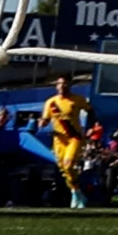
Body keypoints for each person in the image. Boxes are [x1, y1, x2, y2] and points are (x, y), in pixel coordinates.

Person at [40, 73, 95, 208]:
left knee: (68, 164)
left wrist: (92, 127)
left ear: (70, 85)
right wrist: (42, 122)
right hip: (59, 140)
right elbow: (45, 119)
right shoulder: (51, 102)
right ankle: (76, 192)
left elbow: (91, 112)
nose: (62, 86)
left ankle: (76, 194)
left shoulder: (77, 100)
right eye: (59, 83)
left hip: (73, 137)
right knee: (65, 170)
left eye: (65, 83)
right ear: (56, 86)